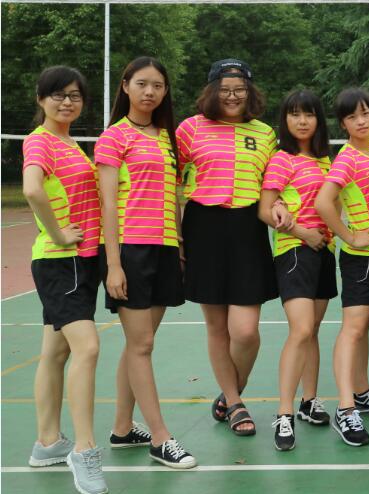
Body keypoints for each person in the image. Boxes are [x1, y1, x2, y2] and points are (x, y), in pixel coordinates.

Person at [95, 57, 196, 469]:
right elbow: (107, 204)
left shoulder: (168, 138)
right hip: (130, 250)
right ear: (125, 86)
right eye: (141, 84)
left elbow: (174, 197)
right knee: (142, 346)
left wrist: (180, 247)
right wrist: (113, 265)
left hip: (165, 247)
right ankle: (160, 437)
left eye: (157, 85)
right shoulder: (113, 137)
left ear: (165, 91)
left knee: (139, 343)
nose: (149, 91)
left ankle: (122, 429)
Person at [177, 59, 281, 438]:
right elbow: (171, 183)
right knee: (217, 326)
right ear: (211, 92)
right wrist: (177, 237)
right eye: (224, 90)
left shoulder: (265, 133)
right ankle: (235, 403)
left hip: (248, 228)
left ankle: (231, 389)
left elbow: (274, 185)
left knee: (246, 331)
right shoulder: (189, 129)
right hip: (204, 227)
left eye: (239, 90)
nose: (233, 96)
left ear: (250, 92)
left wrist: (281, 206)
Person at [23, 66, 105, 494]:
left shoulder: (71, 143)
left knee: (55, 353)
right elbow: (32, 189)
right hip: (61, 261)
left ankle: (48, 442)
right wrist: (56, 234)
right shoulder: (40, 141)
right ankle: (84, 450)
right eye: (57, 94)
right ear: (41, 99)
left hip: (80, 261)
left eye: (74, 95)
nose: (67, 102)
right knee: (87, 348)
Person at [315, 88, 369, 447]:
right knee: (352, 329)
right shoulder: (347, 158)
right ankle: (345, 406)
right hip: (361, 256)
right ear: (343, 124)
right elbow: (324, 202)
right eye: (352, 117)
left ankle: (362, 392)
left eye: (365, 113)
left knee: (362, 327)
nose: (361, 121)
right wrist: (350, 236)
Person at [259, 90, 337, 451]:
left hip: (325, 252)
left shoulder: (326, 160)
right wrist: (301, 232)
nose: (302, 121)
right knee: (301, 329)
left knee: (313, 331)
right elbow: (264, 210)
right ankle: (284, 412)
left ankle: (309, 400)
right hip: (295, 251)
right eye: (294, 114)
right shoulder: (282, 159)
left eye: (309, 114)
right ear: (285, 120)